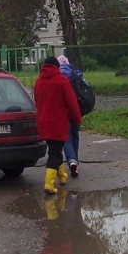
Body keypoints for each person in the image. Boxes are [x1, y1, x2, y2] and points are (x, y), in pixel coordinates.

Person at [34, 56, 82, 194]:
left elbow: (37, 101)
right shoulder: (61, 81)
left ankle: (62, 177)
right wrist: (77, 119)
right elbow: (71, 102)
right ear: (56, 67)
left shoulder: (38, 82)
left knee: (55, 149)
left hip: (43, 122)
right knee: (55, 153)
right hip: (58, 123)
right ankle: (49, 184)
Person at [57, 54, 82, 177]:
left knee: (67, 138)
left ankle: (71, 160)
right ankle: (75, 162)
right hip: (75, 108)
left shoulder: (58, 76)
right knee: (75, 135)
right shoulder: (75, 73)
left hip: (62, 112)